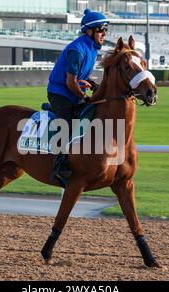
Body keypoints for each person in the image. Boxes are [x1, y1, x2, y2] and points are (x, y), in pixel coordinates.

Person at [47, 8, 108, 183]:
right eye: (100, 29)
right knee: (65, 125)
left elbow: (81, 74)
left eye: (105, 29)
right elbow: (70, 82)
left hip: (71, 91)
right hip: (60, 94)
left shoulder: (91, 48)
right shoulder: (77, 50)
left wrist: (94, 85)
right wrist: (85, 96)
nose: (104, 33)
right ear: (89, 31)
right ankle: (59, 167)